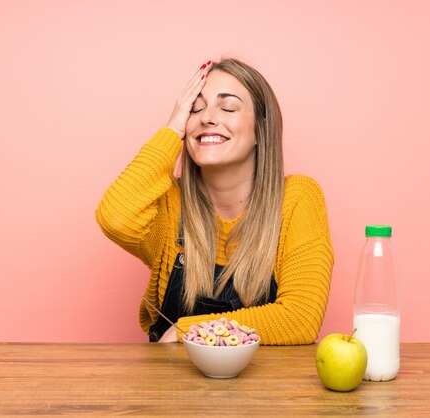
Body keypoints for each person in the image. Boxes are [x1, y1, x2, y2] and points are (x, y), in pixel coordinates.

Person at [96, 58, 333, 345]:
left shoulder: (298, 199)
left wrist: (191, 331)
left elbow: (299, 320)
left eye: (228, 107)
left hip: (267, 388)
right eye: (195, 109)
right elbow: (115, 217)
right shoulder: (168, 205)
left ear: (261, 128)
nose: (207, 118)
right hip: (170, 387)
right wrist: (172, 128)